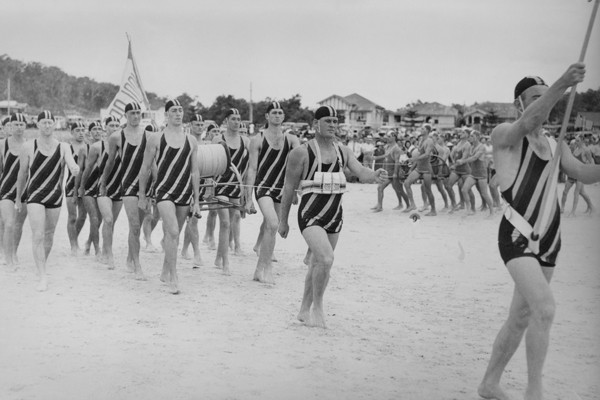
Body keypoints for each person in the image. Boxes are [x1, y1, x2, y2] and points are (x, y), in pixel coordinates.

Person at [478, 63, 600, 400]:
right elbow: (529, 121)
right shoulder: (505, 134)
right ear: (519, 103)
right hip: (517, 234)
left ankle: (489, 384)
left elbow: (582, 173)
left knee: (521, 316)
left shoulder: (555, 142)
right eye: (536, 97)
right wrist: (562, 82)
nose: (545, 102)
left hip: (550, 238)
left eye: (547, 97)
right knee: (545, 308)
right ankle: (535, 394)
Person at [278, 106, 387, 328]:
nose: (332, 125)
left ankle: (303, 310)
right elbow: (288, 188)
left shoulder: (343, 151)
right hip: (310, 215)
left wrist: (375, 175)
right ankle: (318, 307)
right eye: (327, 121)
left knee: (319, 264)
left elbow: (361, 172)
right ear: (315, 124)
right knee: (326, 258)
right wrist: (283, 220)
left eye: (335, 121)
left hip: (334, 215)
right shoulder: (300, 153)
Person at [138, 99, 200, 294]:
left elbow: (195, 172)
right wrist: (142, 195)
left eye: (180, 110)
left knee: (175, 234)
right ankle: (174, 276)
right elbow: (145, 168)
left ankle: (165, 270)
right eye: (174, 110)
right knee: (172, 231)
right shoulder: (156, 139)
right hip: (164, 191)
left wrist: (197, 200)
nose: (178, 114)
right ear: (166, 114)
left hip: (184, 191)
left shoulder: (191, 140)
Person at [15, 111, 80, 291]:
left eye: (50, 122)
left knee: (49, 234)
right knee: (38, 234)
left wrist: (74, 168)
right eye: (43, 122)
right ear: (37, 125)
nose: (47, 125)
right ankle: (43, 275)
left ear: (54, 124)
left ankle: (41, 264)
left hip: (55, 195)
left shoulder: (63, 147)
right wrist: (19, 198)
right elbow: (22, 174)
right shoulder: (28, 147)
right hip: (34, 195)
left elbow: (70, 162)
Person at [244, 101, 300, 284]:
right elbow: (252, 169)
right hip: (264, 187)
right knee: (274, 223)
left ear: (283, 117)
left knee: (271, 228)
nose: (277, 115)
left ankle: (259, 269)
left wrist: (295, 191)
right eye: (273, 113)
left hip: (281, 189)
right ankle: (267, 268)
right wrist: (248, 199)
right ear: (267, 116)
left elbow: (299, 165)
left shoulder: (291, 140)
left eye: (280, 113)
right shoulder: (257, 140)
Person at [100, 102, 147, 280]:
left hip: (144, 186)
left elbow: (154, 162)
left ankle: (130, 257)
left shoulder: (148, 135)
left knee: (138, 227)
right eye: (132, 113)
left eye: (138, 113)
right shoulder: (117, 137)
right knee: (134, 226)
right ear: (125, 115)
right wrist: (103, 182)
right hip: (127, 185)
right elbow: (110, 162)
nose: (136, 116)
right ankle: (137, 266)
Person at [211, 108, 250, 274]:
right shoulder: (218, 138)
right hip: (220, 184)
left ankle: (219, 257)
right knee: (225, 222)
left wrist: (247, 194)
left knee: (235, 219)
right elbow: (211, 162)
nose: (236, 122)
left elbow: (248, 168)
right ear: (226, 121)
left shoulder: (245, 141)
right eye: (233, 119)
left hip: (236, 185)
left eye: (239, 118)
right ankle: (226, 262)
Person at [0, 113, 28, 270]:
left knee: (18, 225)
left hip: (24, 190)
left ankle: (14, 252)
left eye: (21, 124)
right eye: (15, 124)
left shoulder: (30, 145)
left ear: (25, 126)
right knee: (8, 223)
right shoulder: (2, 144)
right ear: (10, 125)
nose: (18, 127)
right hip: (5, 189)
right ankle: (7, 256)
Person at [95, 116, 123, 269]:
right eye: (111, 125)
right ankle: (109, 254)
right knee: (108, 220)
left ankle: (105, 249)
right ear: (105, 128)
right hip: (103, 188)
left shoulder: (123, 146)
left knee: (112, 223)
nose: (114, 127)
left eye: (117, 125)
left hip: (119, 188)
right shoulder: (98, 147)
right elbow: (88, 171)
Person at [77, 121, 104, 258]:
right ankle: (97, 249)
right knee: (93, 218)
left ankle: (88, 242)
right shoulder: (84, 149)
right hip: (87, 187)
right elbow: (80, 171)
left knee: (99, 220)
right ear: (90, 132)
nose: (98, 131)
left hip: (101, 188)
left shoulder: (107, 147)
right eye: (95, 129)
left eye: (100, 129)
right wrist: (79, 189)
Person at [181, 113, 204, 267]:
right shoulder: (185, 141)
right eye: (196, 124)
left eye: (201, 125)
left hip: (201, 185)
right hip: (185, 184)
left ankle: (185, 249)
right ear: (190, 125)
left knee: (192, 219)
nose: (199, 127)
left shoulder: (206, 144)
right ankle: (196, 253)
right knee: (190, 220)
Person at [457, 130, 494, 217]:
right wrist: (459, 161)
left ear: (477, 137)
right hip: (473, 173)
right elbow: (467, 156)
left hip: (481, 173)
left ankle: (492, 211)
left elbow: (474, 158)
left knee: (484, 193)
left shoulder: (482, 147)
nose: (470, 138)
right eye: (470, 136)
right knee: (464, 189)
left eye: (472, 136)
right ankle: (469, 209)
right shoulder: (471, 146)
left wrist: (462, 161)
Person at [65, 121, 88, 255]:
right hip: (70, 185)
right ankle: (74, 245)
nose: (80, 133)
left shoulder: (88, 147)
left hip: (85, 186)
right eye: (77, 130)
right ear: (72, 132)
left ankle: (75, 238)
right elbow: (61, 168)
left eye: (82, 130)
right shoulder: (67, 148)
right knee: (72, 217)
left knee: (83, 216)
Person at [404, 125, 437, 216]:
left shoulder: (429, 141)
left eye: (423, 129)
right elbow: (419, 155)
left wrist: (414, 159)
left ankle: (433, 210)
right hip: (419, 167)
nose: (421, 130)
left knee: (428, 190)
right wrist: (412, 168)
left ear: (427, 130)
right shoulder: (421, 140)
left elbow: (427, 155)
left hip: (426, 168)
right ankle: (412, 205)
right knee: (406, 183)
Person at [371, 134, 409, 212]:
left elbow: (397, 162)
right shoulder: (388, 147)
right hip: (388, 172)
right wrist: (382, 169)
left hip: (393, 172)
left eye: (389, 136)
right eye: (387, 136)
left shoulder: (396, 148)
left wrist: (395, 173)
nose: (387, 138)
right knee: (380, 188)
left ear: (394, 137)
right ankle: (379, 206)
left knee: (399, 190)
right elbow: (386, 158)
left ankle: (408, 205)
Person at [560, 135, 594, 216]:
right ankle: (562, 207)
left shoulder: (586, 150)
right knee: (566, 192)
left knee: (577, 192)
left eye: (578, 140)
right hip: (572, 174)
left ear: (582, 141)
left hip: (580, 174)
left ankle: (573, 212)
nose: (576, 142)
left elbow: (591, 163)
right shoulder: (576, 149)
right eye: (576, 140)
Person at [202, 122, 221, 249]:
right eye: (214, 131)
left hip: (211, 181)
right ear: (208, 133)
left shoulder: (218, 145)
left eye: (218, 131)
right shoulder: (203, 144)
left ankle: (209, 236)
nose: (216, 133)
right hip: (200, 181)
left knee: (213, 211)